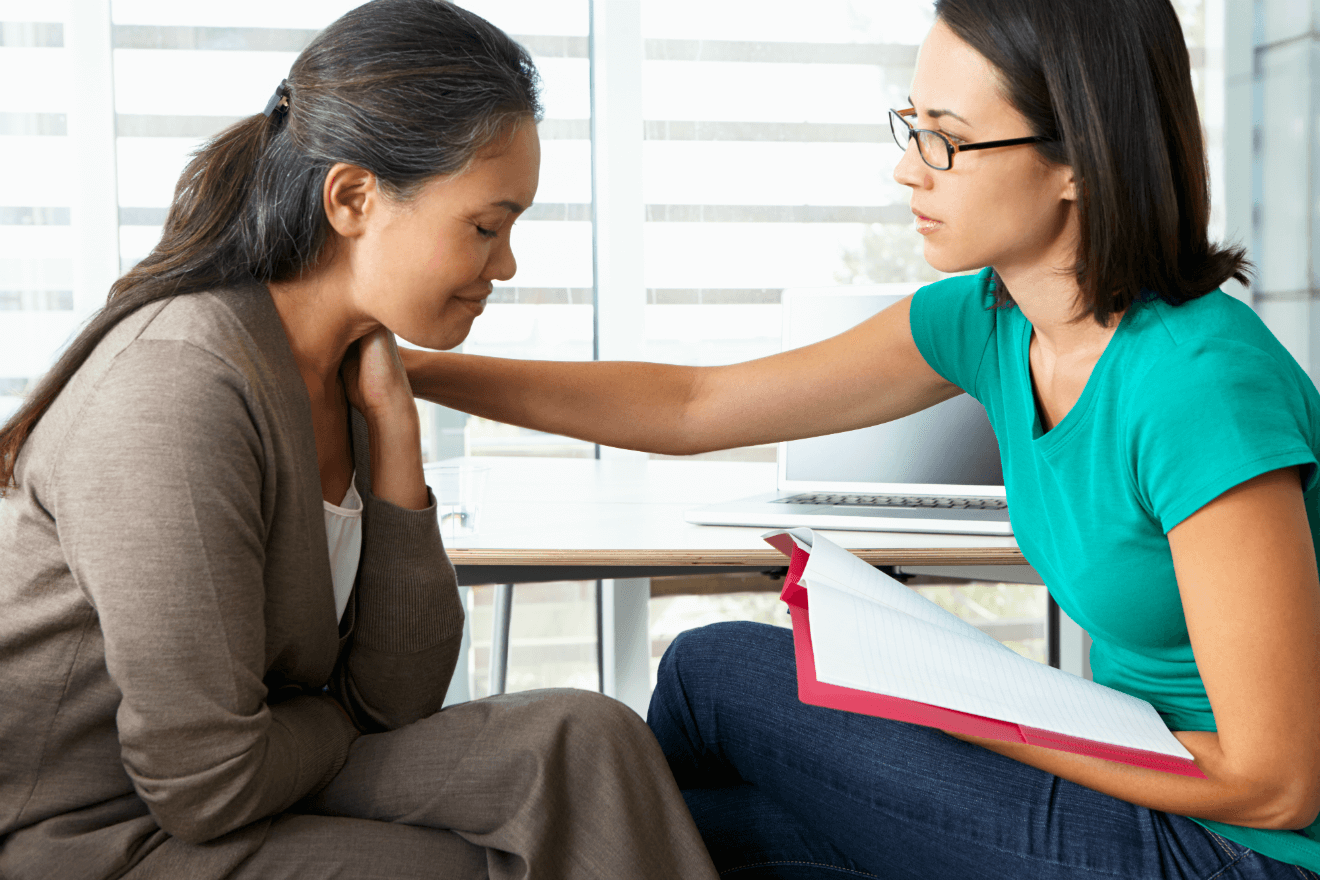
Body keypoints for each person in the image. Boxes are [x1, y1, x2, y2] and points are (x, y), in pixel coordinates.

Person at [399, 0, 1320, 877]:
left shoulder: (1196, 386)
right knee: (693, 838)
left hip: (1240, 853)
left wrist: (961, 708)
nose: (908, 169)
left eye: (947, 140)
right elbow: (693, 407)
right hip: (1140, 803)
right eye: (911, 124)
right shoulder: (992, 322)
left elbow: (1276, 782)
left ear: (1079, 156)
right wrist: (415, 372)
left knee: (712, 669)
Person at [0, 2, 722, 878]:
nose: (506, 266)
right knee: (469, 866)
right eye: (486, 226)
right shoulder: (177, 389)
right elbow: (205, 784)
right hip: (100, 833)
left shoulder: (346, 374)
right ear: (352, 198)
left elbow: (397, 697)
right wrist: (333, 715)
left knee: (584, 737)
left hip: (258, 775)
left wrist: (395, 440)